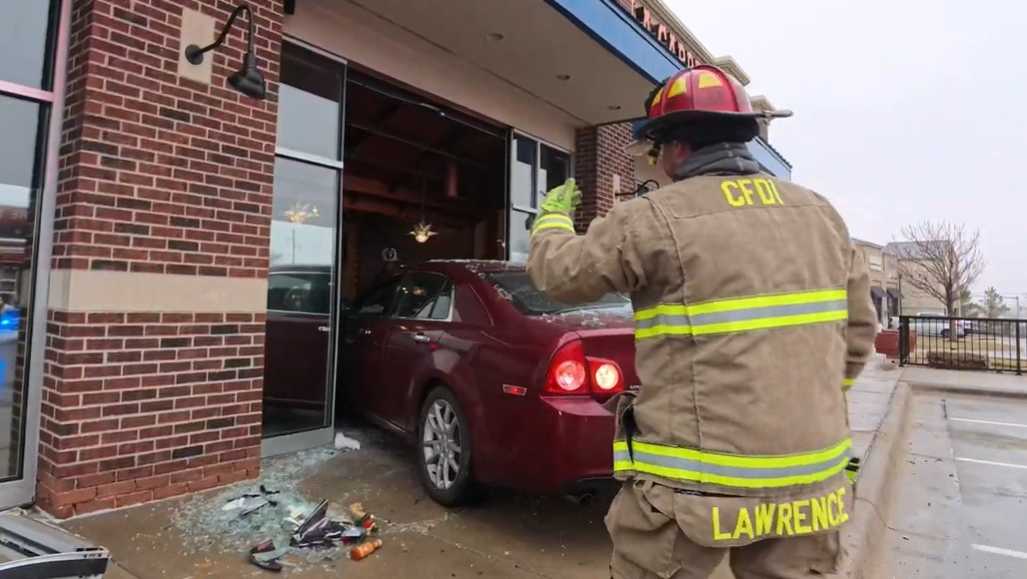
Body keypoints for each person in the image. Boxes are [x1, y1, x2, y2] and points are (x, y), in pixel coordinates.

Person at [527, 65, 877, 579]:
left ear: (678, 147)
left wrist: (551, 223)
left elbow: (561, 275)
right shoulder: (821, 215)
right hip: (810, 485)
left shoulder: (653, 217)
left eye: (657, 150)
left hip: (694, 487)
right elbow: (859, 337)